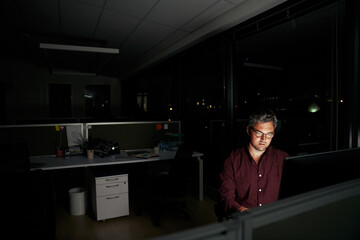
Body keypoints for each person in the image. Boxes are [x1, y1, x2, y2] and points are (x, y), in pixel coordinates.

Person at [218, 108, 289, 215]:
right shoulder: (232, 160)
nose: (264, 139)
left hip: (275, 217)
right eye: (259, 133)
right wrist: (239, 209)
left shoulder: (283, 158)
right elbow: (226, 198)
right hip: (246, 220)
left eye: (269, 134)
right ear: (248, 130)